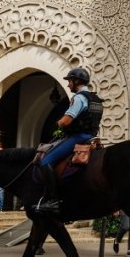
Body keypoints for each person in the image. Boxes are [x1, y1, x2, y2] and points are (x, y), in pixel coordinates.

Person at [34, 67, 103, 216]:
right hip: (92, 137)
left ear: (76, 81)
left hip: (78, 137)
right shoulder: (95, 98)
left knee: (45, 161)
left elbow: (67, 121)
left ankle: (52, 200)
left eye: (70, 81)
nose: (68, 84)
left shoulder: (79, 98)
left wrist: (58, 124)